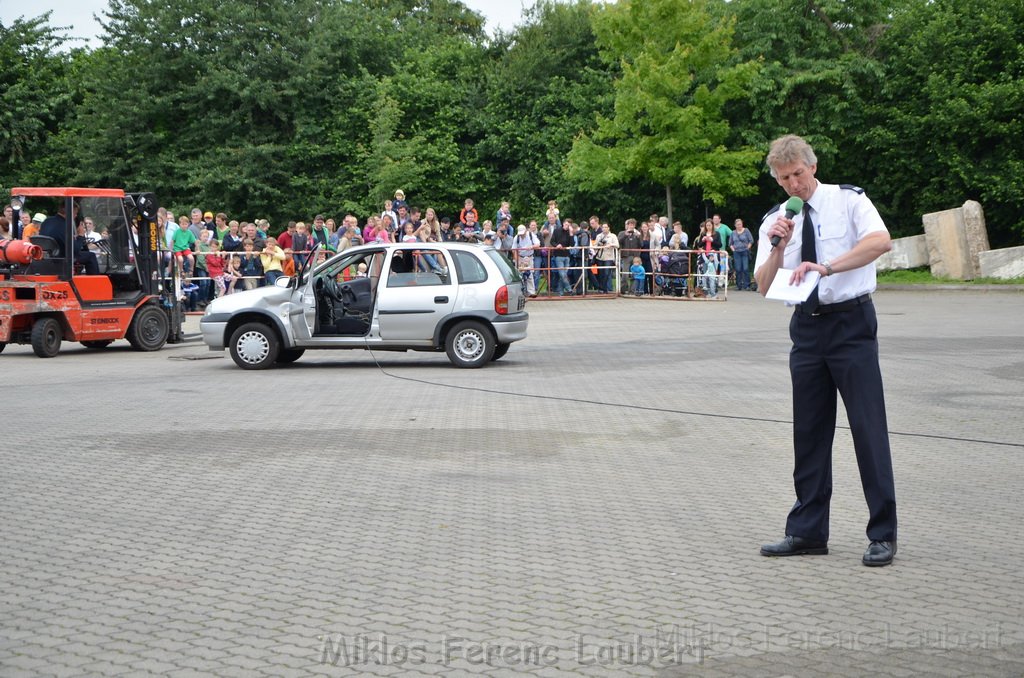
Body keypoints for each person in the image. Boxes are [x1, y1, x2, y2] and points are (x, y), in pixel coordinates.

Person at [754, 134, 897, 567]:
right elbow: (762, 285)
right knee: (810, 432)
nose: (793, 185)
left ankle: (883, 534)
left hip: (851, 323)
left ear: (812, 167)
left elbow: (880, 242)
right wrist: (779, 245)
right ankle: (807, 531)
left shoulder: (849, 201)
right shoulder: (774, 221)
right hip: (807, 329)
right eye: (784, 179)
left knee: (867, 428)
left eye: (798, 174)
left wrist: (829, 266)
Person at [39, 201, 100, 275]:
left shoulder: (47, 221)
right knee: (91, 256)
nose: (76, 216)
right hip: (63, 257)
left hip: (48, 256)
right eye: (75, 213)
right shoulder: (66, 225)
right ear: (69, 212)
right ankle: (94, 283)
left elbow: (57, 237)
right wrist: (80, 235)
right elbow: (75, 251)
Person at [729, 218, 754, 290]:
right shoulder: (733, 233)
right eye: (737, 224)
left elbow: (751, 240)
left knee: (745, 268)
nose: (739, 226)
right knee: (738, 269)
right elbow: (730, 243)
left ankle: (747, 285)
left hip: (745, 251)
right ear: (735, 225)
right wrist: (733, 250)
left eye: (740, 224)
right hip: (736, 252)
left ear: (742, 224)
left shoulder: (746, 230)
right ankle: (738, 285)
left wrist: (748, 248)